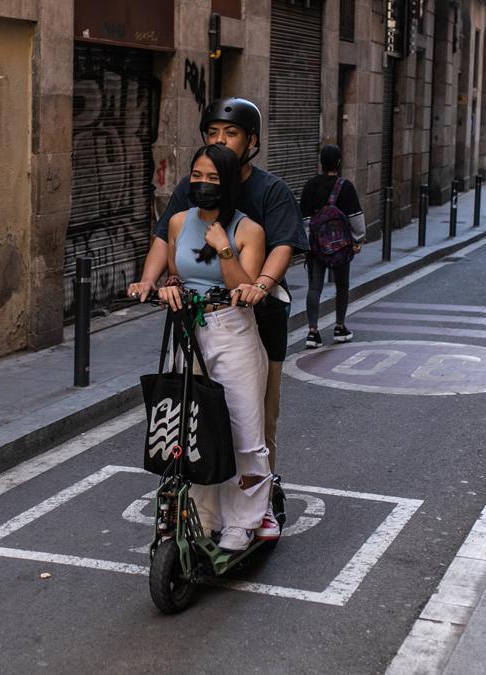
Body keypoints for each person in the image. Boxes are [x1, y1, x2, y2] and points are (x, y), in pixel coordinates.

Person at [128, 97, 307, 542]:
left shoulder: (269, 192)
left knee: (255, 420)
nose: (220, 141)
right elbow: (164, 236)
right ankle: (202, 509)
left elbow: (283, 245)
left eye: (229, 133)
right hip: (196, 322)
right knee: (197, 421)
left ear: (251, 142)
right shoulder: (190, 191)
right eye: (212, 133)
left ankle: (258, 509)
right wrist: (151, 281)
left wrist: (260, 285)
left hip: (256, 318)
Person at [155, 144, 271, 551]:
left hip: (232, 329)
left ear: (227, 183)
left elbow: (245, 285)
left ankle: (244, 520)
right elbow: (175, 274)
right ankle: (203, 517)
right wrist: (168, 289)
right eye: (196, 176)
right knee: (195, 432)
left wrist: (223, 245)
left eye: (212, 179)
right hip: (189, 331)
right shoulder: (177, 223)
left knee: (243, 429)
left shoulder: (248, 230)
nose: (201, 185)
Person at [299, 144, 365, 349]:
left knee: (314, 287)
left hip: (316, 247)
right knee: (342, 285)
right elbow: (356, 217)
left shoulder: (310, 185)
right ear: (338, 162)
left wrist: (309, 243)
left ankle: (313, 332)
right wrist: (358, 240)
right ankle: (339, 327)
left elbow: (304, 218)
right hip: (341, 247)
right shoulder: (345, 186)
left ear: (321, 161)